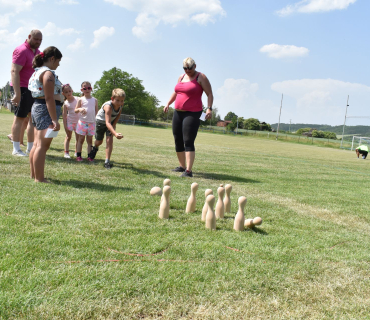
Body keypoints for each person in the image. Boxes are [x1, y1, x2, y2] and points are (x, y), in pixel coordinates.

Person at [164, 57, 213, 177]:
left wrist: (209, 108)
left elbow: (209, 94)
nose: (187, 70)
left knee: (188, 140)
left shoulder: (201, 77)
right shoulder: (181, 77)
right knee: (177, 139)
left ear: (195, 66)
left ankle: (189, 171)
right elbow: (176, 91)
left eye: (189, 68)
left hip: (192, 113)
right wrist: (168, 103)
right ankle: (182, 166)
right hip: (178, 112)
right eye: (185, 68)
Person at [28, 46, 63, 183]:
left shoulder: (37, 71)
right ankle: (39, 178)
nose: (59, 64)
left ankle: (34, 174)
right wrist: (55, 120)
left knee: (37, 144)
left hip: (39, 108)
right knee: (42, 146)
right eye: (58, 61)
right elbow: (49, 98)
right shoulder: (48, 74)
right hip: (45, 110)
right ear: (52, 58)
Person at [10, 29, 42, 156]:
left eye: (40, 40)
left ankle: (30, 149)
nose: (38, 42)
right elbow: (14, 71)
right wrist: (17, 94)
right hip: (22, 87)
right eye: (36, 39)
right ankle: (16, 149)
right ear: (29, 37)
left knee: (32, 119)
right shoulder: (21, 50)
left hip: (32, 89)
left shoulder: (38, 52)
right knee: (19, 118)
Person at [87, 88, 125, 169]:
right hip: (101, 122)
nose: (120, 103)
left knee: (109, 141)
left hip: (110, 123)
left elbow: (117, 115)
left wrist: (113, 127)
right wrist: (115, 133)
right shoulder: (108, 107)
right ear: (112, 99)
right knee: (99, 142)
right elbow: (107, 122)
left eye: (122, 101)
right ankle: (95, 148)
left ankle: (107, 162)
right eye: (117, 100)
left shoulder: (121, 105)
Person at [74, 81, 98, 162]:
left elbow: (96, 112)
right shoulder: (80, 99)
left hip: (92, 123)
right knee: (81, 139)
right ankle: (79, 155)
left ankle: (89, 156)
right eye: (85, 88)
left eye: (89, 88)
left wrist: (96, 120)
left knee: (90, 140)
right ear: (82, 90)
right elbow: (75, 110)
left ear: (91, 89)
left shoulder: (95, 100)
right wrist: (80, 109)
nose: (87, 90)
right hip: (82, 122)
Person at [61, 84, 80, 158]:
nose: (68, 93)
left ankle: (76, 152)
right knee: (68, 137)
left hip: (78, 122)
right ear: (63, 94)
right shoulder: (65, 103)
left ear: (72, 91)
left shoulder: (78, 99)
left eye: (69, 91)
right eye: (66, 92)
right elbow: (64, 115)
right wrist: (65, 126)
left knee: (78, 138)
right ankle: (66, 153)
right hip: (70, 122)